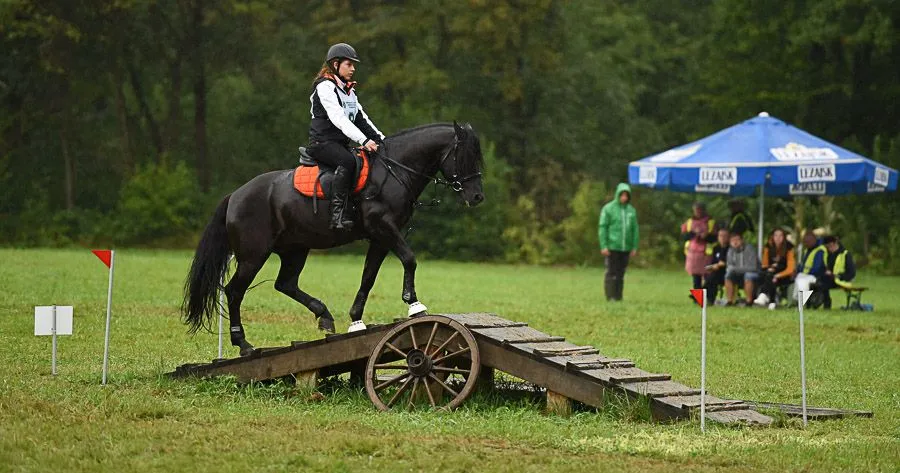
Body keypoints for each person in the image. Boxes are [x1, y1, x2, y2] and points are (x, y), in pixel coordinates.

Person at [308, 43, 385, 230]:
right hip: (322, 143)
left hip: (339, 144)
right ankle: (337, 215)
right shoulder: (325, 87)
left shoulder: (349, 91)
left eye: (353, 65)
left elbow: (361, 118)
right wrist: (364, 141)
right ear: (335, 65)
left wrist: (381, 140)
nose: (353, 69)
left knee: (365, 159)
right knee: (348, 161)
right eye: (348, 64)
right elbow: (339, 119)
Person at [598, 183, 639, 301]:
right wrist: (604, 245)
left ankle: (618, 296)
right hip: (612, 246)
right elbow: (603, 227)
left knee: (621, 273)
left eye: (626, 195)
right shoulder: (608, 209)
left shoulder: (631, 211)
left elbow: (635, 229)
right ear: (618, 195)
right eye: (622, 195)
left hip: (625, 247)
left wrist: (634, 246)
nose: (624, 198)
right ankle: (610, 296)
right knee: (611, 272)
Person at [753, 228, 796, 309]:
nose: (778, 238)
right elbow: (764, 264)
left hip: (785, 274)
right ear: (772, 237)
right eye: (776, 235)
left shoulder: (789, 248)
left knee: (771, 276)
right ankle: (771, 302)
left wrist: (778, 275)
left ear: (784, 237)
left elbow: (790, 269)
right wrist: (771, 268)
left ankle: (765, 296)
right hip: (770, 273)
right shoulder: (768, 247)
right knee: (766, 275)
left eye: (780, 235)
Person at [681, 202, 716, 292]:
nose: (698, 212)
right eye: (696, 210)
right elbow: (684, 236)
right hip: (693, 253)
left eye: (700, 210)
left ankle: (707, 296)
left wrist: (706, 236)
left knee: (709, 277)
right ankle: (698, 298)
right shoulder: (689, 222)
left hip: (707, 253)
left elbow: (715, 237)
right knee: (696, 278)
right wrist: (693, 234)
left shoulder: (711, 222)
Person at [819, 236, 856, 309]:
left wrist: (837, 276)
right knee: (818, 281)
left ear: (836, 243)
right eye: (827, 247)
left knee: (822, 284)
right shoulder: (828, 254)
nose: (829, 248)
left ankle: (827, 303)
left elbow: (851, 273)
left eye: (830, 246)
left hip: (842, 280)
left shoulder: (845, 254)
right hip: (831, 279)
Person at [724, 232, 759, 306]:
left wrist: (736, 269)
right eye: (733, 240)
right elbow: (729, 266)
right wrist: (734, 270)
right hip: (737, 273)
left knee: (748, 275)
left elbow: (753, 267)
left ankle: (749, 301)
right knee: (728, 275)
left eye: (737, 240)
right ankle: (730, 301)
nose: (735, 242)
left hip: (753, 273)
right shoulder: (730, 251)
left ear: (742, 240)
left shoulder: (750, 249)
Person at [793, 229, 827, 304]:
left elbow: (816, 269)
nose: (806, 244)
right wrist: (798, 270)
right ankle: (796, 301)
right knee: (796, 278)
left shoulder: (820, 251)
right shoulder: (808, 250)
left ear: (814, 240)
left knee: (802, 281)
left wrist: (801, 269)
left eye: (808, 242)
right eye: (805, 242)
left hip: (816, 276)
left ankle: (801, 302)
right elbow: (804, 265)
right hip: (806, 274)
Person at [703, 227, 730, 305]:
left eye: (725, 236)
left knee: (713, 276)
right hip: (716, 271)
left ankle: (706, 295)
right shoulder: (716, 248)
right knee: (711, 275)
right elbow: (713, 261)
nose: (722, 238)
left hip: (727, 272)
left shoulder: (730, 249)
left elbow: (728, 262)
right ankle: (709, 298)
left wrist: (720, 264)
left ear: (728, 237)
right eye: (720, 236)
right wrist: (711, 267)